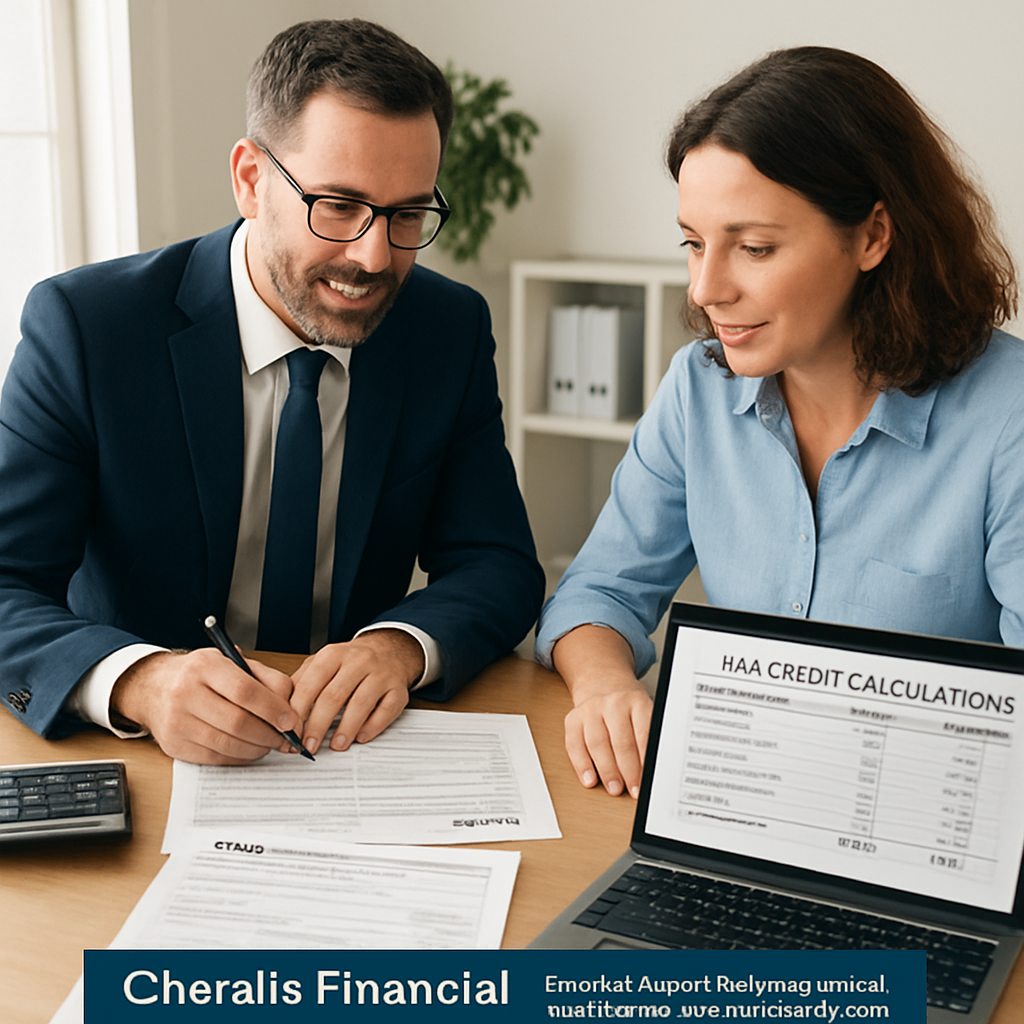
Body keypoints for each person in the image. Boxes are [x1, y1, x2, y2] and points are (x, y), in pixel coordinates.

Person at [0, 19, 544, 765]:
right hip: (147, 755)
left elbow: (499, 563)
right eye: (339, 206)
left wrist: (398, 646)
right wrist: (139, 682)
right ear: (251, 180)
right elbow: (6, 582)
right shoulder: (88, 328)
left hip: (350, 750)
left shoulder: (447, 329)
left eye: (409, 214)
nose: (373, 256)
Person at [536, 46, 1021, 799]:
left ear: (872, 236)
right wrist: (605, 686)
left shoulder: (1007, 417)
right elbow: (597, 591)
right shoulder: (697, 391)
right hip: (743, 802)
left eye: (754, 248)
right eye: (694, 244)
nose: (705, 290)